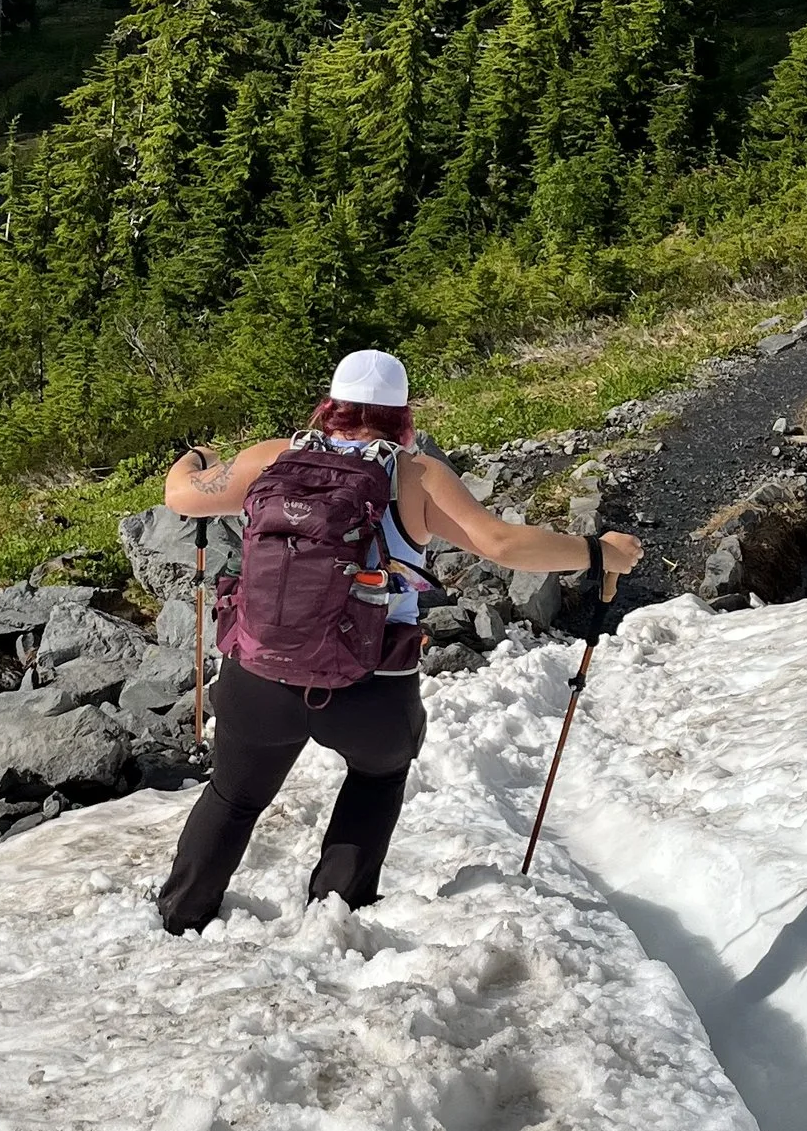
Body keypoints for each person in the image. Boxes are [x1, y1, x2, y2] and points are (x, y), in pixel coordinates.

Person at [155, 346, 641, 933]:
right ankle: (334, 917)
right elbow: (504, 545)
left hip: (260, 678)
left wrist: (195, 456)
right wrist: (596, 551)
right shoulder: (414, 475)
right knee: (378, 775)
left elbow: (181, 495)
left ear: (331, 404)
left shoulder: (272, 459)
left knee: (233, 797)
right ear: (402, 412)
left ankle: (180, 917)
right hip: (372, 683)